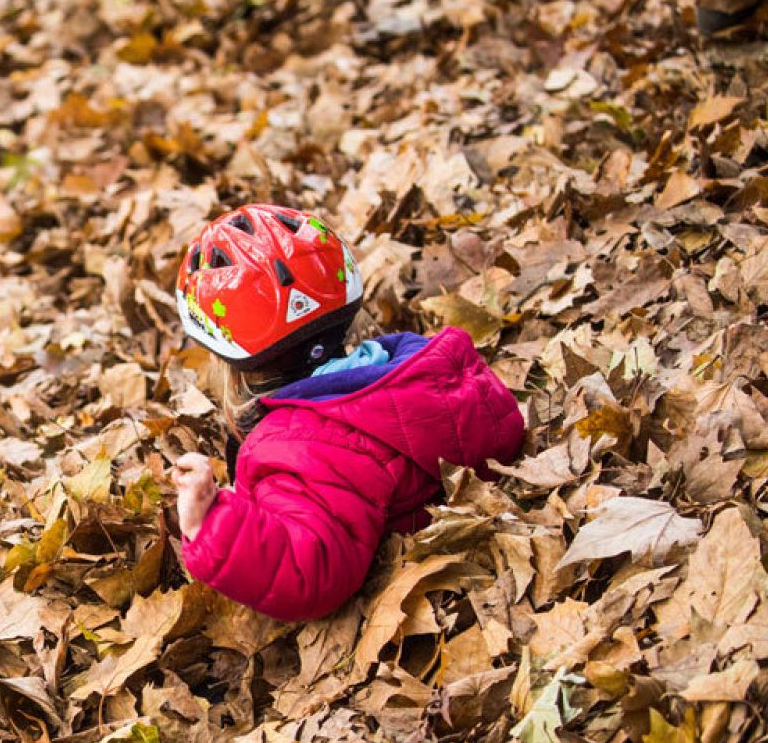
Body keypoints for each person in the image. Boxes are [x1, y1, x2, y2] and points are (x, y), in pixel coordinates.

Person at [169, 205, 525, 622]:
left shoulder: (294, 449)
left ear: (230, 366)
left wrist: (211, 525)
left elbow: (309, 573)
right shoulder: (419, 368)